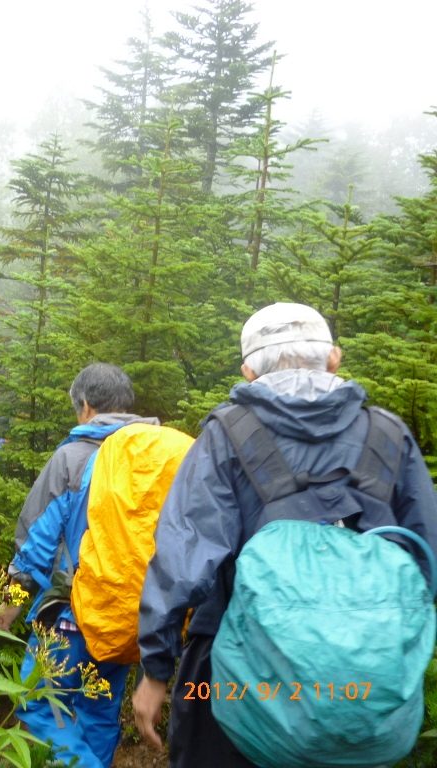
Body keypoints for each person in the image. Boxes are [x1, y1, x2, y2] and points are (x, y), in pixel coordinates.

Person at [133, 303, 437, 767]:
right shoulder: (388, 434)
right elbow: (426, 563)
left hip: (231, 675)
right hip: (363, 681)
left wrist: (156, 670)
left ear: (248, 370)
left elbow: (183, 562)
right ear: (333, 358)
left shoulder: (225, 435)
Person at [0, 363, 160, 768]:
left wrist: (14, 595)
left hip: (69, 614)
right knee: (99, 712)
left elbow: (39, 535)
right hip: (127, 619)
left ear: (86, 406)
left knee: (38, 705)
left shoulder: (73, 456)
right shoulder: (154, 458)